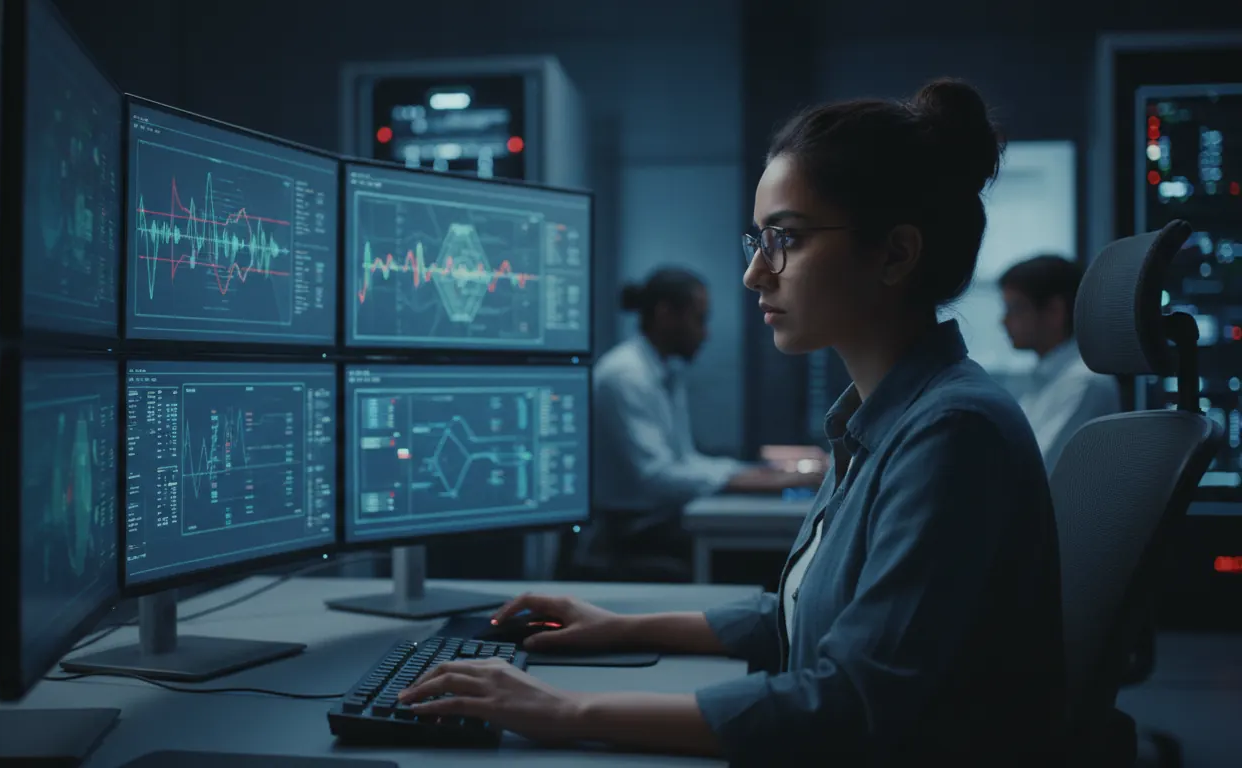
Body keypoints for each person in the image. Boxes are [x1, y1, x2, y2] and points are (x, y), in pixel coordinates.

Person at [398, 79, 1066, 764]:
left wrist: (564, 711)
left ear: (895, 253)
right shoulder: (885, 418)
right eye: (758, 239)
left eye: (786, 239)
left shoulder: (952, 433)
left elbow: (849, 703)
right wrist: (621, 626)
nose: (753, 274)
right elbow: (801, 611)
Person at [584, 269, 822, 575]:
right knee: (754, 560)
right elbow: (658, 477)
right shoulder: (625, 376)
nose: (705, 334)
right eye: (699, 319)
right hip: (627, 532)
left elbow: (686, 460)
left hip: (656, 521)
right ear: (665, 314)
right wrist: (767, 481)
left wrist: (756, 474)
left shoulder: (665, 371)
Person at [1001, 254, 1121, 472]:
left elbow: (1037, 473)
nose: (1004, 321)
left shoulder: (1085, 382)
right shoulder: (1045, 379)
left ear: (1055, 312)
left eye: (1016, 308)